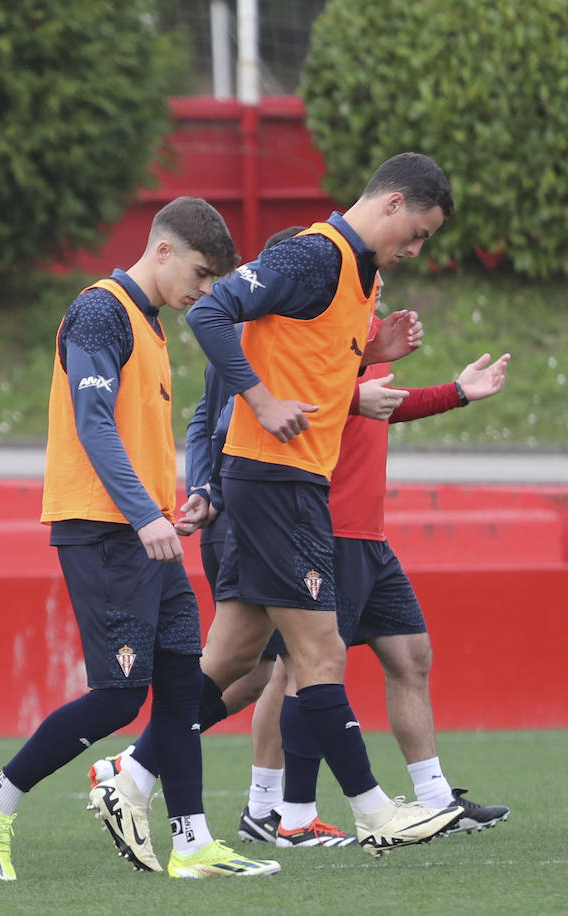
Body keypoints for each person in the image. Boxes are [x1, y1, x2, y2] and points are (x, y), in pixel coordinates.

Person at [0, 197, 278, 882]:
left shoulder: (151, 324)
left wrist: (174, 503)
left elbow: (133, 433)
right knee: (119, 696)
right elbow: (93, 422)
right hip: (103, 531)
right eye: (200, 273)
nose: (206, 291)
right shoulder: (102, 309)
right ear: (162, 251)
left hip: (147, 533)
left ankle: (193, 844)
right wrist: (143, 514)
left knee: (182, 685)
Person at [181, 231, 512, 845]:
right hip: (311, 520)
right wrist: (203, 486)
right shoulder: (282, 330)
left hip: (359, 530)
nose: (376, 286)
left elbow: (378, 402)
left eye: (376, 281)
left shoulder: (355, 333)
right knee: (292, 668)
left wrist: (457, 392)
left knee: (383, 657)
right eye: (369, 276)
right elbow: (225, 413)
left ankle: (428, 799)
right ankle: (282, 809)